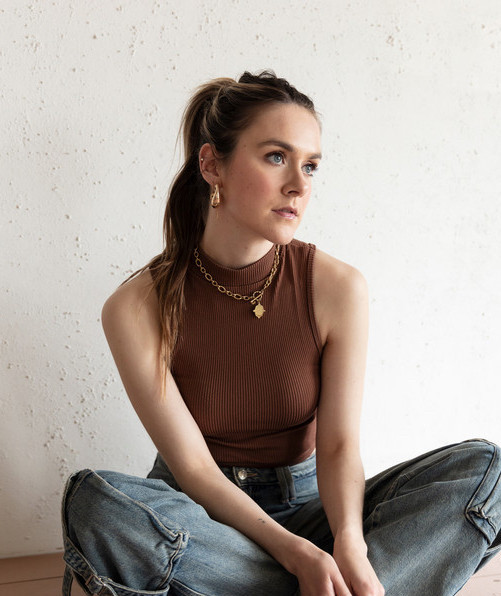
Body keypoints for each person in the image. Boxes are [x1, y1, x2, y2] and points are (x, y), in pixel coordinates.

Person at [61, 71, 501, 596]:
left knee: (488, 473)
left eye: (310, 166)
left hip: (312, 513)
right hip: (202, 528)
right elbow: (195, 468)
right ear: (212, 165)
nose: (299, 184)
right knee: (92, 502)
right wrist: (296, 555)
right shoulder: (135, 307)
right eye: (276, 157)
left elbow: (338, 445)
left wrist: (349, 545)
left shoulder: (337, 287)